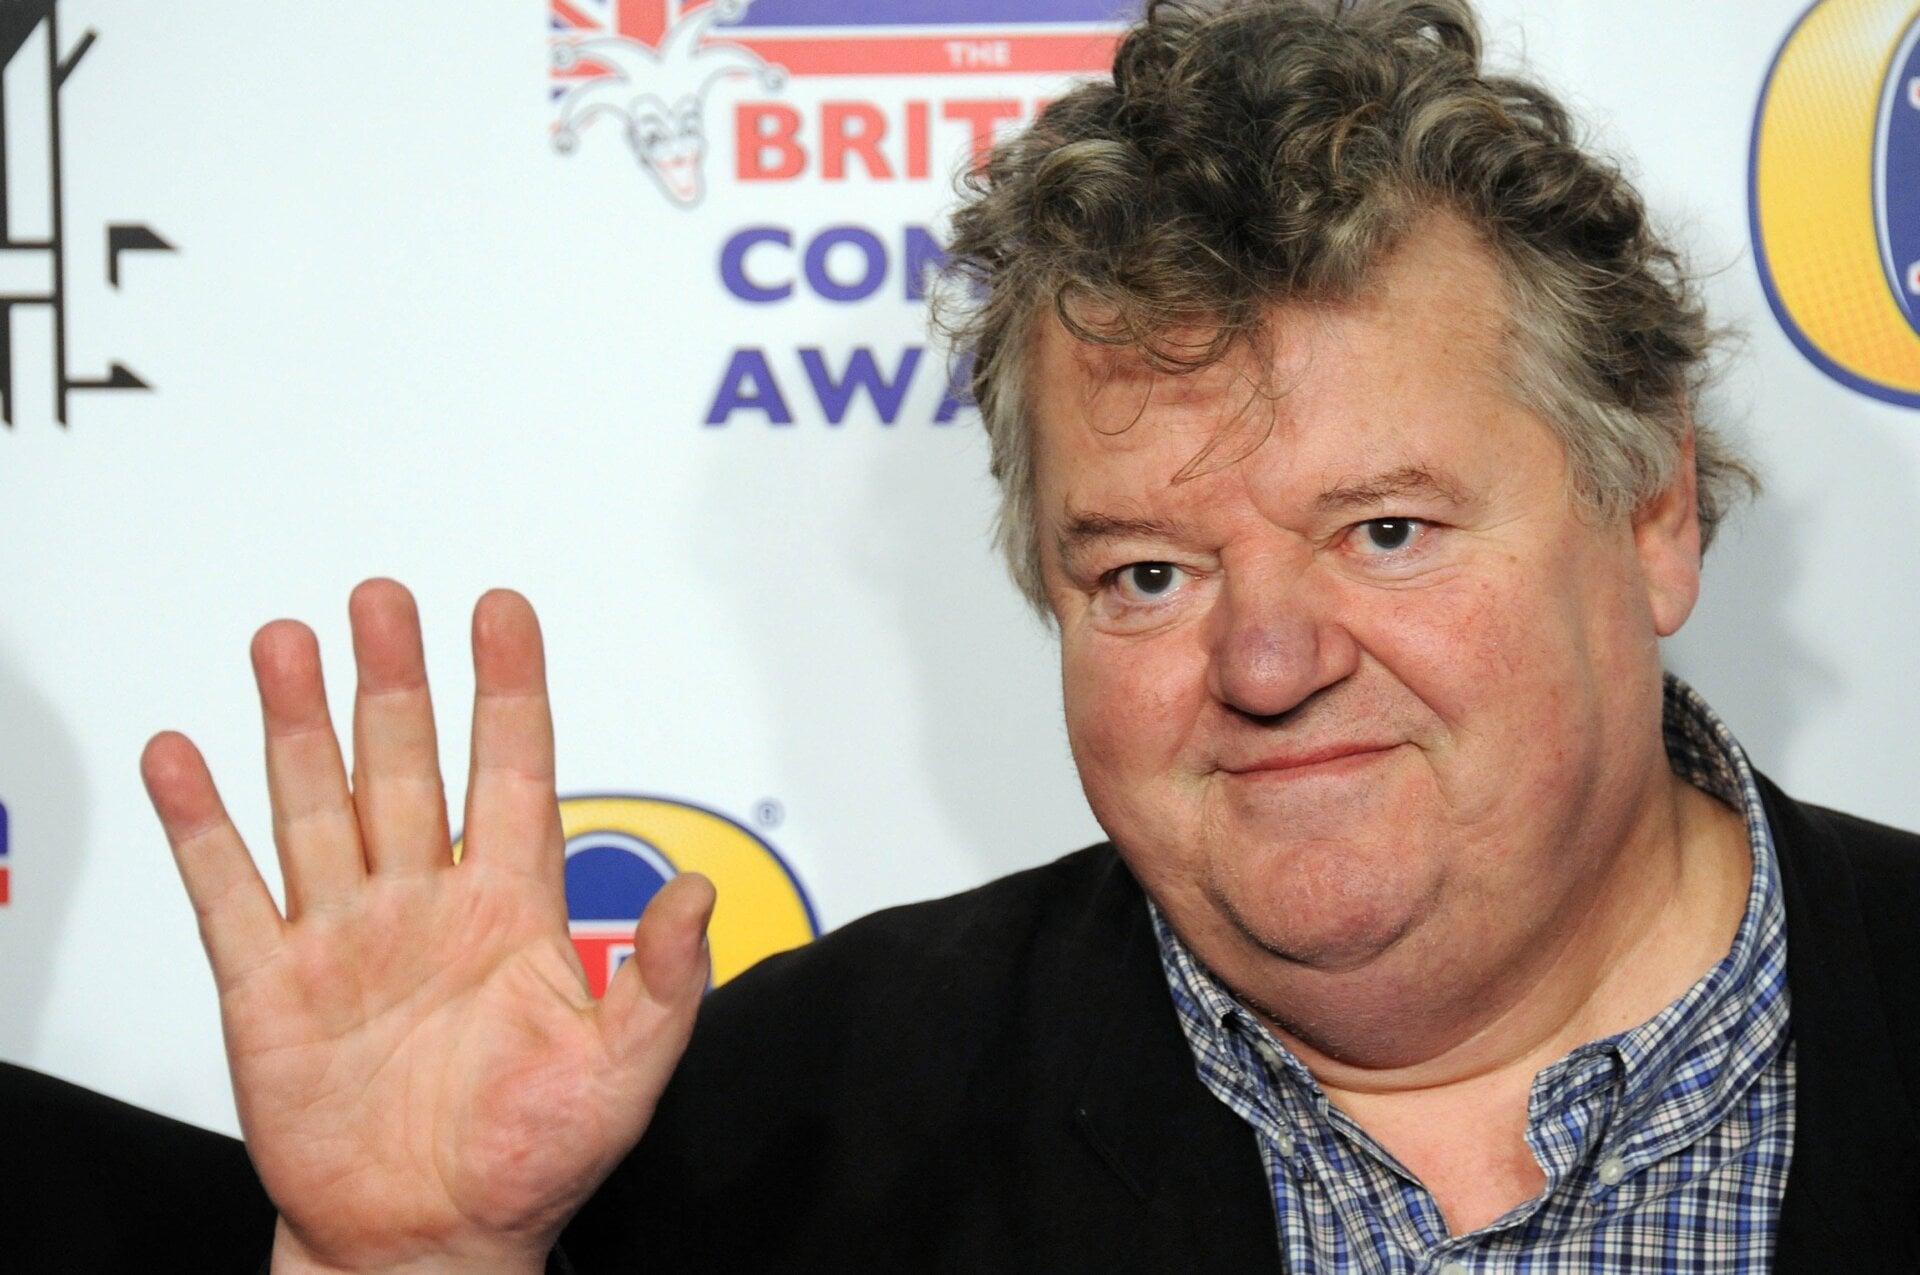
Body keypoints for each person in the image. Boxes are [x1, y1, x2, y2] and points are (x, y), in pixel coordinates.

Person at [140, 1, 1920, 1271]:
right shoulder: (767, 1141)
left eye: (1384, 531)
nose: (1269, 663)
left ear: (1654, 513)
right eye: (1148, 572)